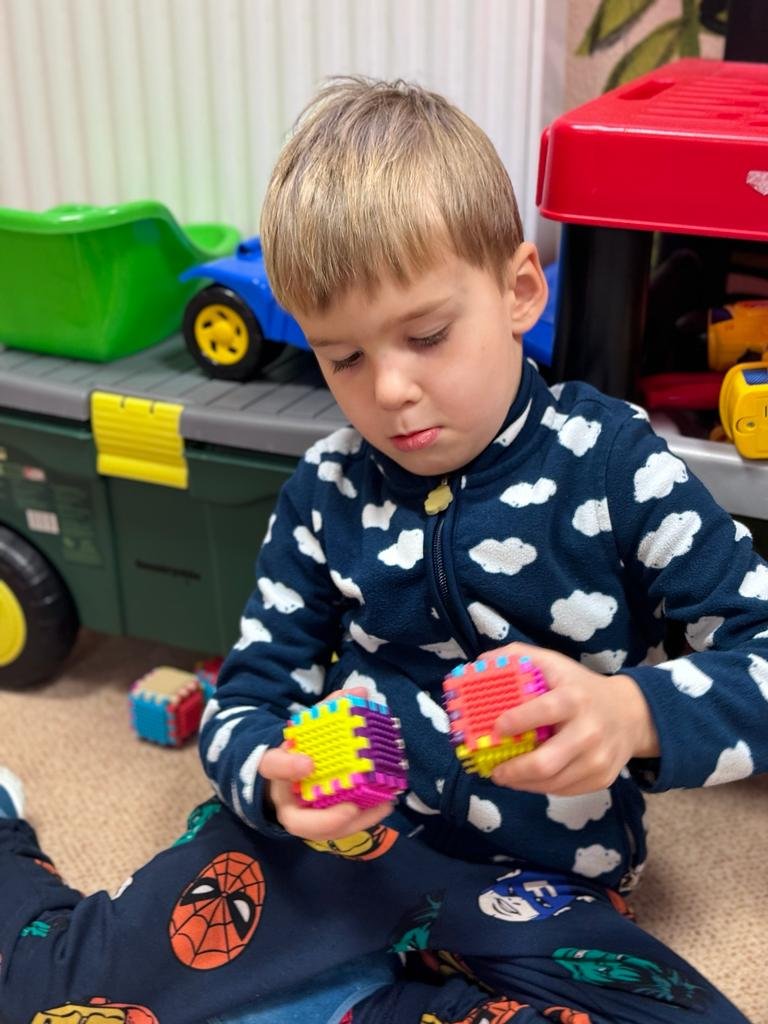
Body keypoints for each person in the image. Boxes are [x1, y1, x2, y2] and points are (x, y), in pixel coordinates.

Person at [0, 77, 765, 1024]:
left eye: (427, 336)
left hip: (540, 878)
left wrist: (632, 712)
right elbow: (247, 697)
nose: (390, 390)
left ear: (520, 290)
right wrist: (272, 780)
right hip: (334, 854)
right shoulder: (324, 490)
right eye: (344, 357)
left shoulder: (616, 464)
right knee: (60, 998)